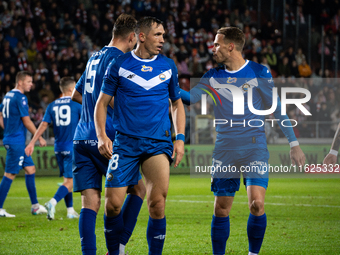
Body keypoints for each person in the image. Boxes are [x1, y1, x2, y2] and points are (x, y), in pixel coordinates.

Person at [180, 27, 306, 255]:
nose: (213, 48)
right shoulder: (212, 76)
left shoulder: (259, 72)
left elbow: (276, 108)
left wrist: (293, 143)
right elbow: (191, 98)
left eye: (217, 44)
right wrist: (168, 86)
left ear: (231, 46)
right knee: (221, 209)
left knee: (257, 204)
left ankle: (253, 254)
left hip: (254, 145)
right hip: (225, 148)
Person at [94, 17, 185, 255]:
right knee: (113, 205)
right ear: (142, 36)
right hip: (125, 144)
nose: (162, 40)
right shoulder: (119, 64)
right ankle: (116, 252)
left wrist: (180, 137)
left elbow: (177, 103)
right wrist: (102, 135)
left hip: (158, 143)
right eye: (158, 35)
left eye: (164, 35)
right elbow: (101, 103)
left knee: (157, 204)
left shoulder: (168, 66)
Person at [71, 14, 146, 255]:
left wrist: (95, 106)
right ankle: (118, 248)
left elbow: (76, 94)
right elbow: (114, 99)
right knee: (139, 190)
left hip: (81, 138)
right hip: (107, 139)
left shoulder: (94, 56)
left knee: (89, 203)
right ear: (132, 37)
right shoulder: (121, 59)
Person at [25, 77, 81, 220]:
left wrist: (32, 142)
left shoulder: (52, 105)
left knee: (66, 180)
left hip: (58, 148)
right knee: (71, 182)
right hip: (72, 147)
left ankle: (70, 211)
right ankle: (52, 202)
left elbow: (43, 125)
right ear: (70, 89)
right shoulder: (77, 104)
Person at [0, 71, 47, 217]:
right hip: (16, 141)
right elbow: (26, 121)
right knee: (10, 174)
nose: (31, 84)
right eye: (29, 81)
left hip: (10, 138)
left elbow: (1, 116)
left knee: (30, 169)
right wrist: (38, 136)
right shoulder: (20, 97)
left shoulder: (7, 96)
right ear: (20, 82)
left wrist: (8, 129)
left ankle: (35, 206)